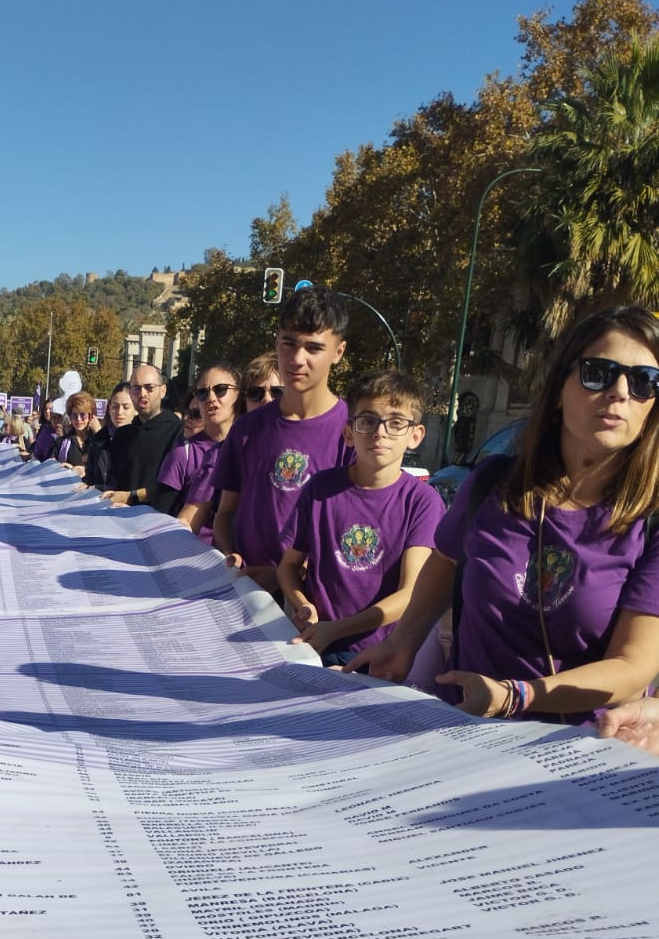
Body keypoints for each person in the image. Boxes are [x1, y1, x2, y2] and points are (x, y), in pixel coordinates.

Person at [351, 304, 659, 722]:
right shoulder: (491, 483)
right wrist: (403, 641)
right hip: (458, 732)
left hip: (575, 758)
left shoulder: (651, 522)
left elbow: (633, 665)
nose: (621, 392)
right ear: (559, 388)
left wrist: (517, 695)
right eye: (598, 372)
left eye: (644, 381)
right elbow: (444, 562)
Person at [278, 370, 444, 667]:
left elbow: (410, 594)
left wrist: (337, 630)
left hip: (381, 653)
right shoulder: (319, 489)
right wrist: (302, 605)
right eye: (367, 421)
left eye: (395, 423)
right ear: (348, 433)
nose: (380, 433)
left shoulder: (422, 502)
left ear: (415, 435)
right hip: (313, 644)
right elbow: (288, 567)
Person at [212, 287, 351, 592]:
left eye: (314, 348)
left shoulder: (354, 433)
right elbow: (225, 514)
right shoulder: (247, 429)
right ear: (276, 342)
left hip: (316, 609)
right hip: (245, 591)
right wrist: (229, 553)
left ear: (338, 352)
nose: (297, 359)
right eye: (288, 343)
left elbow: (348, 538)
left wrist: (285, 577)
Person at [151, 365, 243, 536]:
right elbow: (166, 513)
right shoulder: (184, 452)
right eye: (202, 393)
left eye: (220, 390)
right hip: (201, 555)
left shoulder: (256, 449)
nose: (211, 398)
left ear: (239, 394)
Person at [107, 364, 183, 508]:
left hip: (158, 522)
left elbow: (171, 486)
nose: (142, 394)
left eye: (149, 388)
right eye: (136, 388)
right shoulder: (122, 435)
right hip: (119, 519)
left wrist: (130, 497)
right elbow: (113, 481)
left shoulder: (177, 432)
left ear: (163, 391)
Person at [83, 383, 135, 495]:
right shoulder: (98, 440)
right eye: (115, 406)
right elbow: (91, 478)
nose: (119, 412)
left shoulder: (143, 439)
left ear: (135, 409)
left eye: (126, 407)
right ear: (109, 407)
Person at [56, 392, 96, 474]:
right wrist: (68, 469)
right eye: (74, 415)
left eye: (82, 415)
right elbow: (53, 468)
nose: (78, 419)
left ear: (91, 416)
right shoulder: (62, 442)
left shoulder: (98, 441)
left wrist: (85, 471)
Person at [30, 398, 62, 462]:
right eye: (45, 409)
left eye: (50, 409)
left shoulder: (63, 431)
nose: (47, 411)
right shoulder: (43, 429)